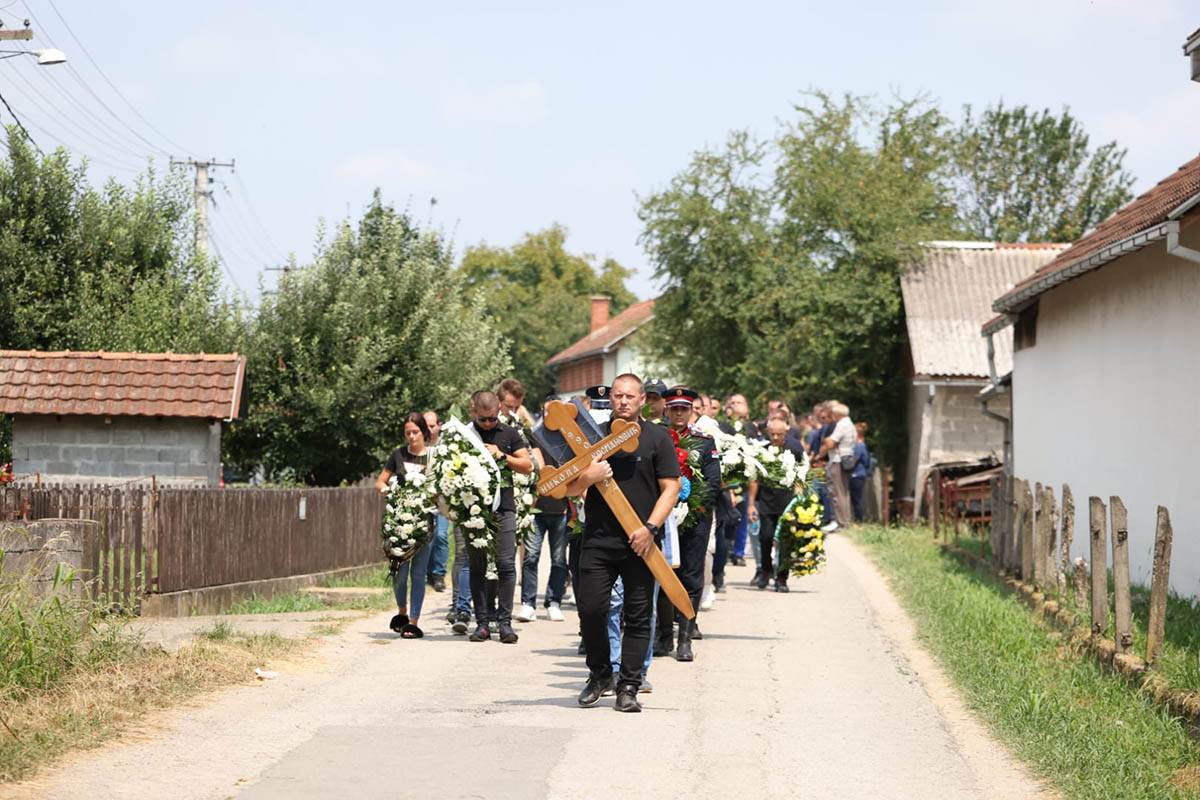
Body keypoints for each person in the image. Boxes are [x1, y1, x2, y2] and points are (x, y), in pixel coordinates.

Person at [566, 373, 681, 712]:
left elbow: (670, 488)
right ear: (611, 399)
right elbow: (568, 486)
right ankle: (600, 673)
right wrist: (590, 475)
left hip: (640, 542)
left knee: (638, 615)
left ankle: (628, 685)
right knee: (591, 609)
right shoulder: (593, 437)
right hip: (599, 540)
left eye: (630, 396)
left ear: (642, 400)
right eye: (618, 396)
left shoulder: (658, 438)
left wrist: (650, 528)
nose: (623, 402)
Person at [654, 386, 721, 662]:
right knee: (663, 574)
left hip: (694, 519)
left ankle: (685, 637)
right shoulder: (658, 437)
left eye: (684, 408)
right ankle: (663, 636)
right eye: (674, 408)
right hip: (661, 517)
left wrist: (691, 507)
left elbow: (713, 482)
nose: (679, 413)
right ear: (667, 410)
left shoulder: (704, 442)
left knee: (691, 576)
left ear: (692, 410)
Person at [464, 391, 534, 644]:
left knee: (505, 564)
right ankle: (482, 623)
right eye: (483, 420)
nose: (487, 424)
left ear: (499, 412)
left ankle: (504, 623)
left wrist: (502, 455)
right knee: (478, 566)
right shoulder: (464, 436)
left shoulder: (509, 434)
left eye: (492, 419)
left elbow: (527, 465)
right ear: (474, 412)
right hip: (472, 510)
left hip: (504, 507)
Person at [374, 413, 435, 638]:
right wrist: (388, 489)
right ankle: (401, 611)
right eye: (407, 433)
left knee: (418, 574)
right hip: (399, 522)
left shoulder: (433, 457)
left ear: (424, 432)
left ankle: (413, 621)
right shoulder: (398, 455)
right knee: (399, 572)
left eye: (415, 432)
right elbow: (380, 480)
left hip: (424, 523)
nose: (411, 437)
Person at [517, 399, 570, 623]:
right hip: (536, 507)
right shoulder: (533, 436)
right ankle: (528, 603)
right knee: (531, 557)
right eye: (548, 411)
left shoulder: (569, 438)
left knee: (559, 560)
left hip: (561, 508)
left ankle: (553, 601)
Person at [747, 417, 805, 592]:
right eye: (772, 434)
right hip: (765, 501)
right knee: (765, 537)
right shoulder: (761, 451)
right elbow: (754, 479)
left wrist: (798, 499)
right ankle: (765, 571)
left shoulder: (794, 449)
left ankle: (782, 578)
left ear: (785, 433)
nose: (775, 437)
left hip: (787, 501)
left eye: (779, 434)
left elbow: (799, 475)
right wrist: (751, 504)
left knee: (785, 540)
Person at [423, 410, 449, 594]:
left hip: (443, 499)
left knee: (441, 535)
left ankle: (438, 575)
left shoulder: (446, 447)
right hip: (424, 499)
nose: (429, 430)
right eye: (425, 426)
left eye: (432, 426)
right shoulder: (417, 446)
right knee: (426, 539)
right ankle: (427, 574)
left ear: (439, 425)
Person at [820, 401, 856, 531]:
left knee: (838, 492)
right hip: (847, 458)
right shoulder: (850, 424)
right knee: (844, 492)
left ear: (837, 414)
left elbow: (830, 443)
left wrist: (826, 440)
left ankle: (841, 522)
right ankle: (846, 520)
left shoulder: (842, 425)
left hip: (838, 460)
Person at [850, 421, 875, 522]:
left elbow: (853, 461)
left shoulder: (859, 446)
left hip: (857, 475)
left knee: (856, 500)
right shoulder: (861, 445)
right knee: (856, 499)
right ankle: (857, 520)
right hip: (858, 474)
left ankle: (859, 521)